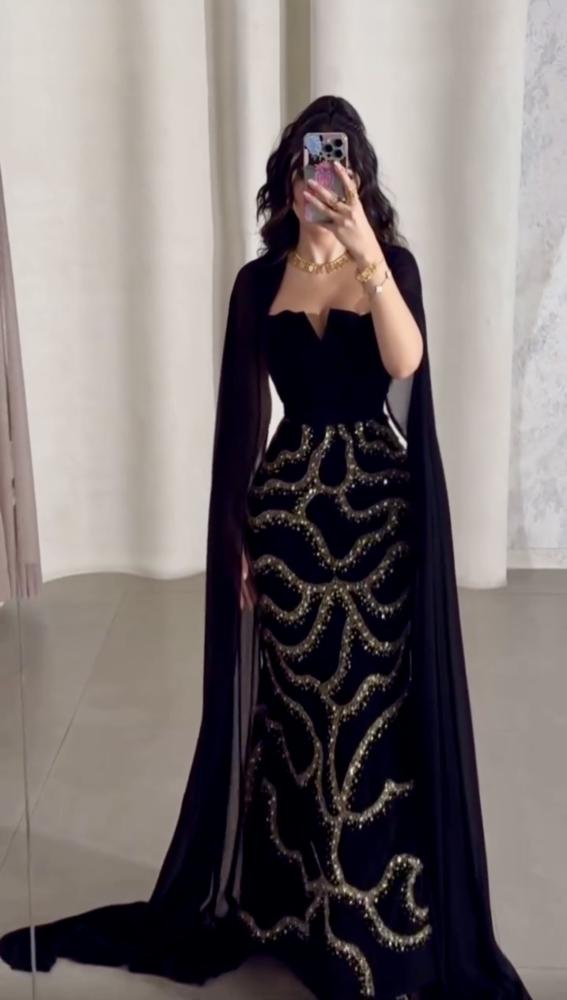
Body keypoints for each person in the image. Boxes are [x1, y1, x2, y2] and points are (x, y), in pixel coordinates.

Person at [0, 95, 533, 1000]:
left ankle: (371, 924)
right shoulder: (258, 283)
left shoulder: (389, 263)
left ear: (355, 178)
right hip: (287, 521)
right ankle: (302, 910)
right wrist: (235, 535)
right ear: (286, 179)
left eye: (333, 166)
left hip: (378, 515)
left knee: (368, 712)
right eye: (302, 166)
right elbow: (241, 423)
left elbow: (406, 367)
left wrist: (366, 257)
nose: (314, 180)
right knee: (302, 719)